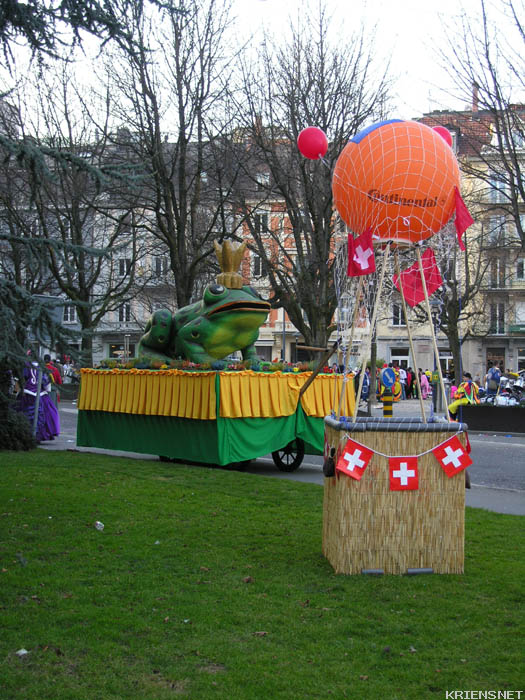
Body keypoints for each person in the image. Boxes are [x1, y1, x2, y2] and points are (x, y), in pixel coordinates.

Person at [16, 357, 60, 441]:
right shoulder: (42, 367)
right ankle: (39, 435)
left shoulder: (25, 366)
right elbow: (46, 383)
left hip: (27, 393)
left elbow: (21, 380)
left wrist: (19, 391)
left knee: (24, 412)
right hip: (40, 394)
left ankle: (26, 433)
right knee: (47, 413)